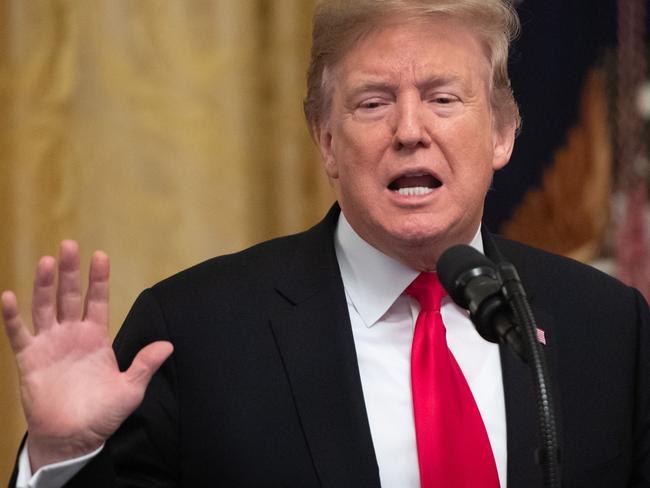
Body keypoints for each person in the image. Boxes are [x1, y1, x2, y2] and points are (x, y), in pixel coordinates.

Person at [3, 0, 649, 486]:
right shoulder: (196, 335)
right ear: (326, 139)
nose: (409, 130)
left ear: (503, 132)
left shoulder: (609, 331)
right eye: (372, 103)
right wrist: (59, 460)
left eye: (442, 98)